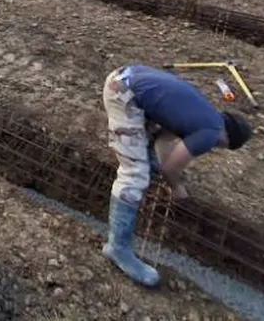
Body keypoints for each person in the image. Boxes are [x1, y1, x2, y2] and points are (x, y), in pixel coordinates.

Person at [102, 64, 252, 287]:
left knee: (146, 148)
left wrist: (163, 165)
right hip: (124, 93)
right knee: (134, 174)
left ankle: (141, 162)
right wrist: (177, 188)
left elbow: (164, 138)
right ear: (228, 141)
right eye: (222, 147)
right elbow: (170, 168)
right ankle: (118, 249)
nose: (216, 148)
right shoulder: (210, 134)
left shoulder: (206, 116)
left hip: (127, 76)